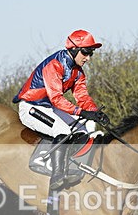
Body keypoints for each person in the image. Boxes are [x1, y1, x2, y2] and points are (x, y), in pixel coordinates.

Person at [13, 29, 110, 190]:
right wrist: (81, 112)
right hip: (31, 106)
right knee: (63, 131)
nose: (88, 58)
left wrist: (95, 112)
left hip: (48, 108)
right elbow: (56, 98)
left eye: (91, 53)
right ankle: (54, 173)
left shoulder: (78, 72)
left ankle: (72, 170)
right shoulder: (55, 65)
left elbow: (82, 97)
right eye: (85, 52)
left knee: (82, 129)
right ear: (74, 49)